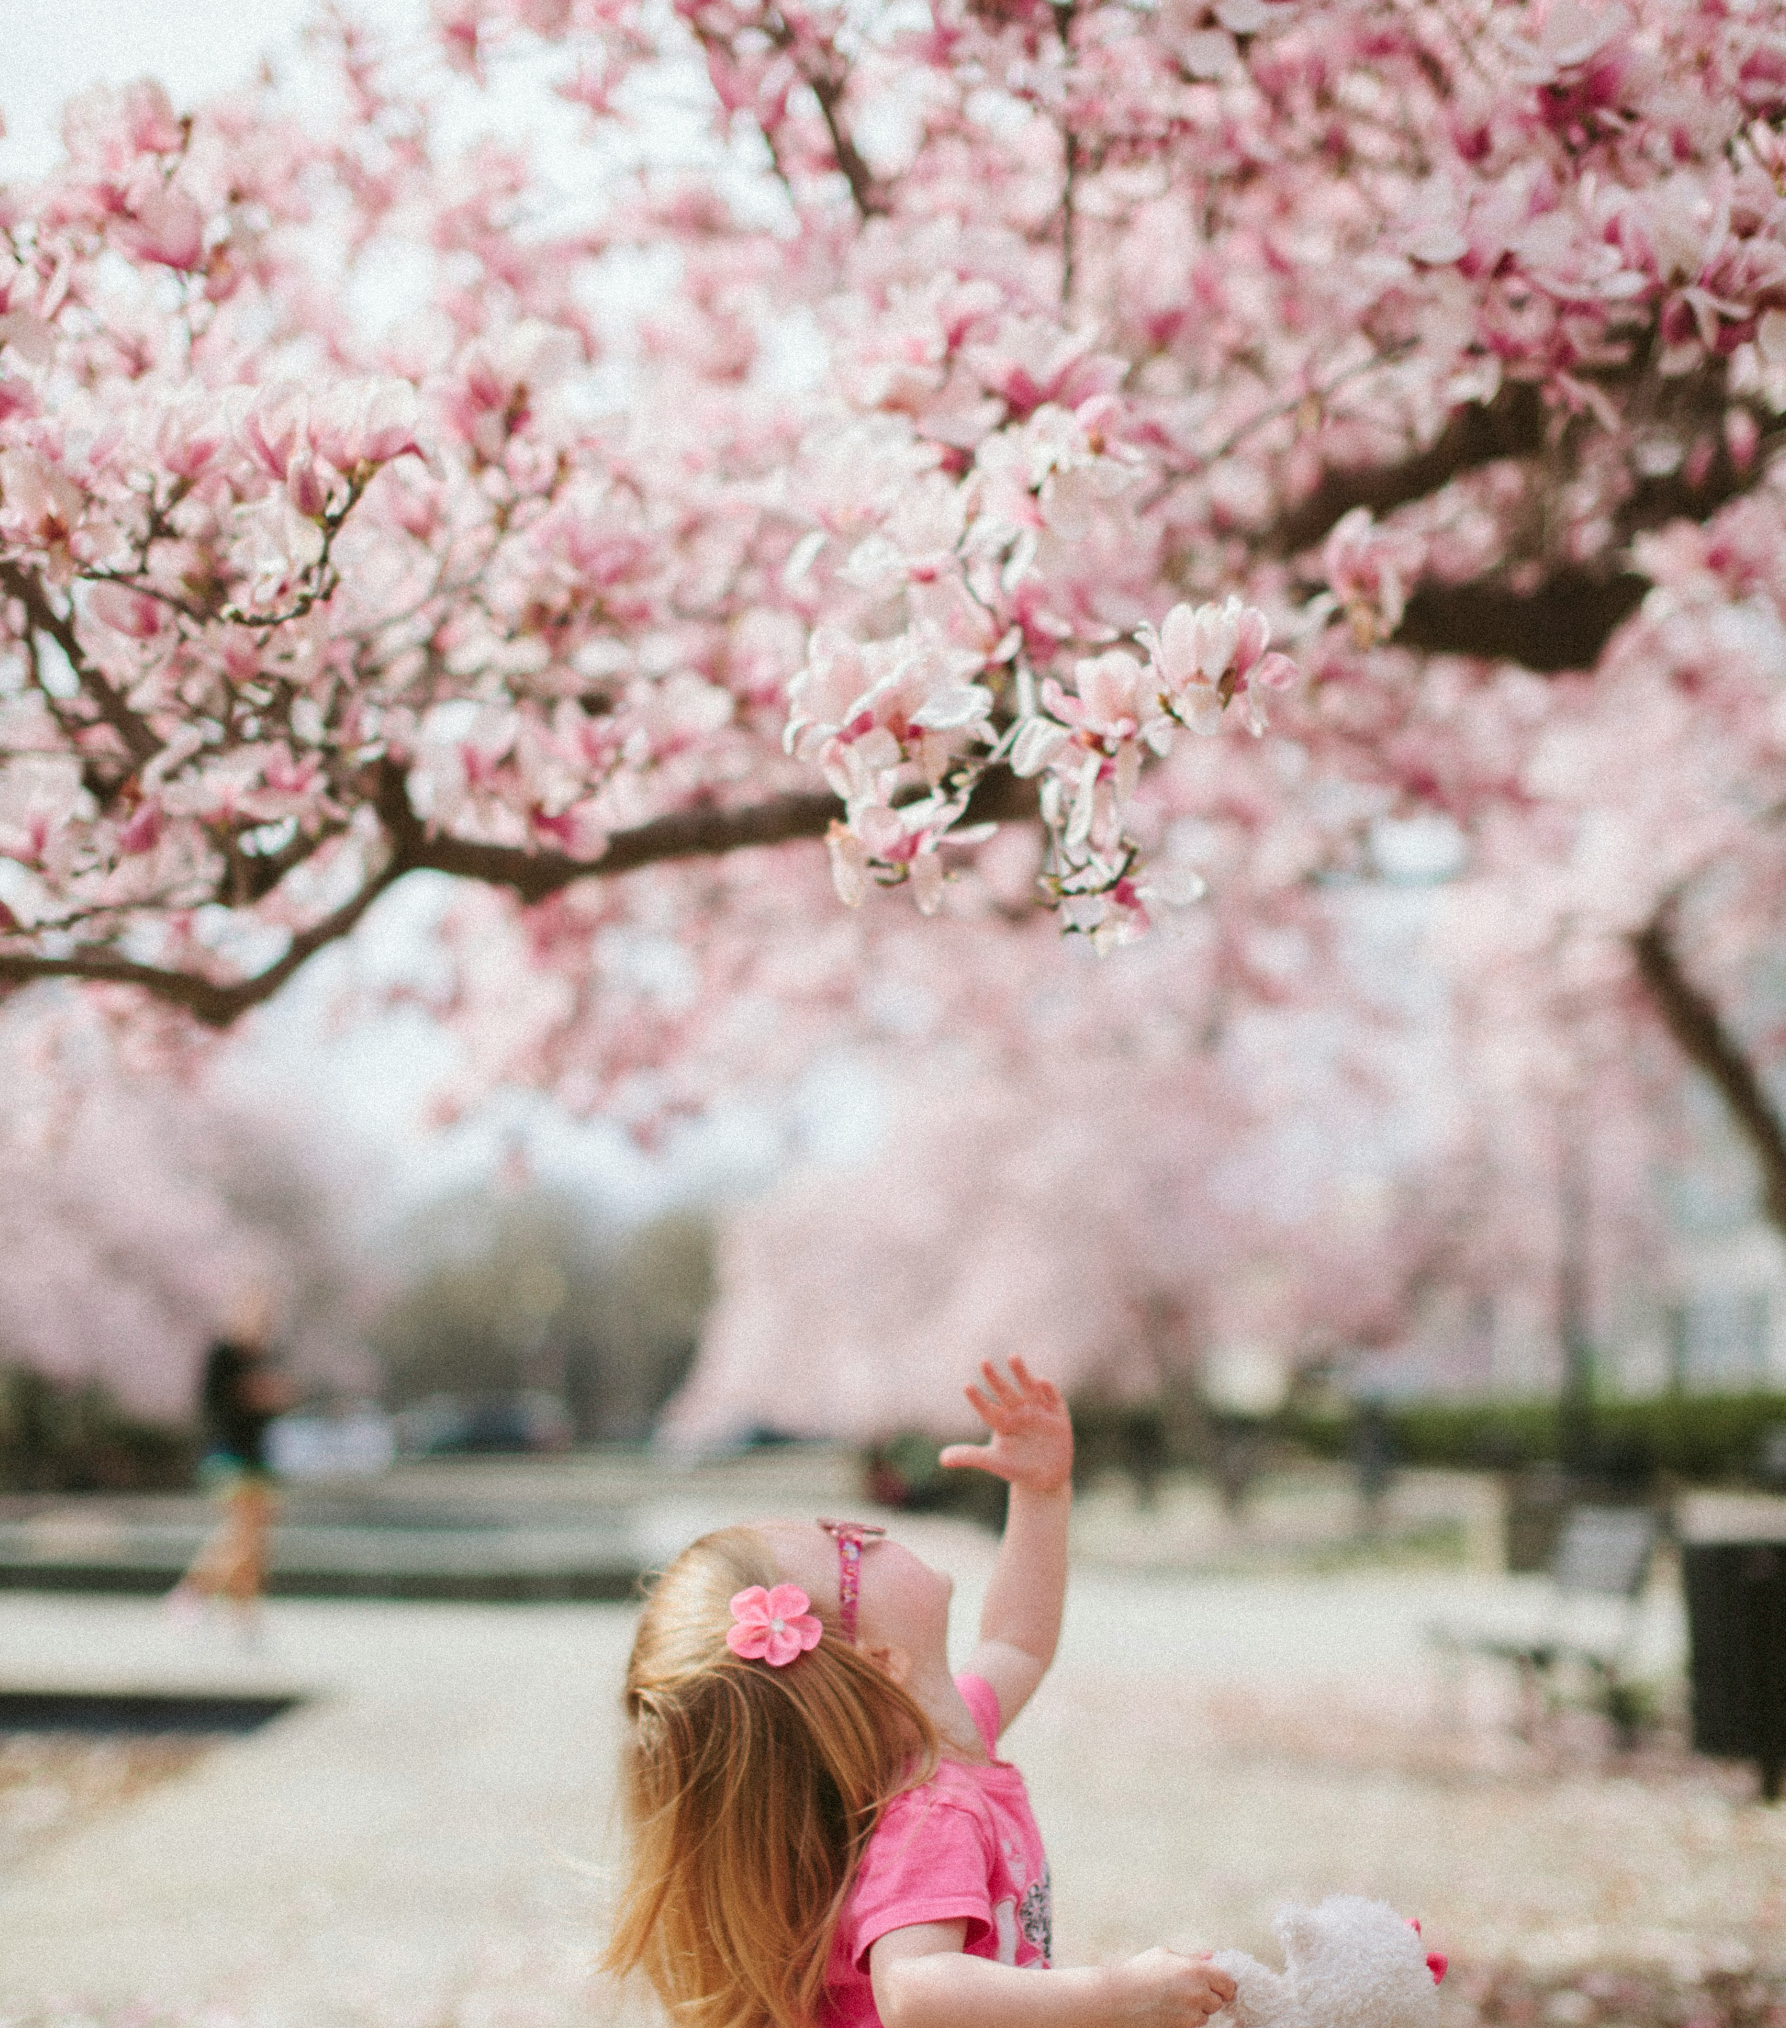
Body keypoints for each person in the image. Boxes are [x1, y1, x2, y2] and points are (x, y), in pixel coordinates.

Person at [604, 1356, 1239, 2028]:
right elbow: (914, 1991)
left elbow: (1018, 1643)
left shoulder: (953, 1737)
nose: (864, 1527)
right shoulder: (930, 1816)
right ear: (881, 1660)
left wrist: (1041, 1495)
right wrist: (1115, 1995)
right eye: (849, 1545)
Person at [167, 1301, 293, 1633]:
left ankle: (244, 1615)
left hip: (259, 1460)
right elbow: (215, 1403)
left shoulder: (264, 1357)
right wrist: (251, 1395)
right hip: (227, 1456)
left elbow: (270, 1409)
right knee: (242, 1536)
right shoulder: (223, 1356)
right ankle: (192, 1593)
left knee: (256, 1541)